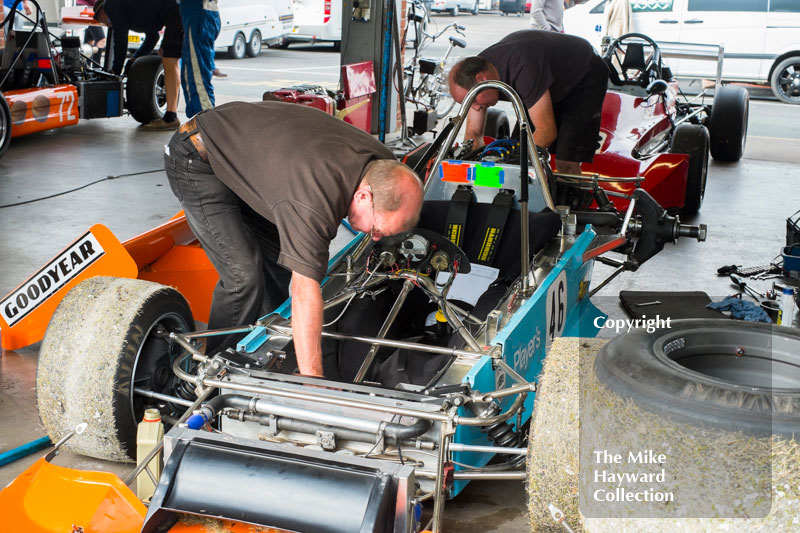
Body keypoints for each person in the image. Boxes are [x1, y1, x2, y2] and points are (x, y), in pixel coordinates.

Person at [164, 101, 424, 377]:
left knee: (278, 263)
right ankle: (213, 374)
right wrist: (312, 379)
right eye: (376, 229)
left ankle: (266, 349)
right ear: (363, 196)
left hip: (250, 152)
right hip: (196, 156)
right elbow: (303, 291)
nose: (373, 237)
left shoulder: (382, 167)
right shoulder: (313, 201)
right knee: (244, 276)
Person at [447, 30, 608, 175]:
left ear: (482, 80)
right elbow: (473, 134)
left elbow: (546, 132)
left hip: (583, 76)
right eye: (468, 104)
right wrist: (475, 171)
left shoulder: (523, 69)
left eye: (473, 100)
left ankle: (572, 201)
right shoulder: (478, 74)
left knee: (565, 159)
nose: (475, 108)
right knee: (517, 145)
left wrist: (508, 168)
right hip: (546, 79)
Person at [93, 0, 183, 130]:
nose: (105, 24)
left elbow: (120, 39)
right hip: (174, 15)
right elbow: (153, 38)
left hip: (176, 14)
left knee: (169, 60)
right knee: (165, 56)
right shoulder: (138, 12)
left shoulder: (111, 4)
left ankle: (171, 117)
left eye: (100, 19)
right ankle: (171, 115)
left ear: (102, 10)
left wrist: (115, 71)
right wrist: (134, 59)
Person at [180, 0, 221, 118]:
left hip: (198, 13)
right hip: (197, 13)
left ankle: (206, 122)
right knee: (190, 74)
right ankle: (199, 120)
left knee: (197, 75)